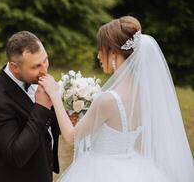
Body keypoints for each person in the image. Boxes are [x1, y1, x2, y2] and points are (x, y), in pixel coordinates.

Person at [39, 16, 194, 182]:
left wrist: (55, 95)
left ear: (113, 53)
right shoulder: (143, 94)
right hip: (135, 168)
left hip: (100, 171)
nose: (98, 55)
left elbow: (71, 136)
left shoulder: (108, 100)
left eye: (101, 49)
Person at [0, 31, 60, 182]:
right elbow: (16, 155)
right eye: (36, 66)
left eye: (45, 60)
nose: (44, 70)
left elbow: (44, 128)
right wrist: (41, 107)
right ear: (15, 67)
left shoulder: (35, 79)